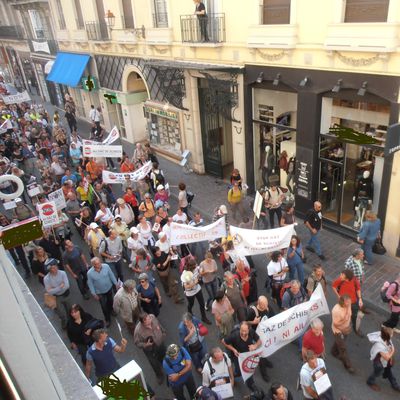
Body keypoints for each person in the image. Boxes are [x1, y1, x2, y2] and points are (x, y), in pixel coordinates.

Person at [222, 322, 261, 392]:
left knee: (248, 369)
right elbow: (223, 341)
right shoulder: (234, 335)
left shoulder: (252, 332)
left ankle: (251, 384)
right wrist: (234, 350)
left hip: (249, 356)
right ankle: (233, 375)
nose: (243, 333)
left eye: (245, 331)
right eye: (241, 330)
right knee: (239, 371)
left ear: (249, 330)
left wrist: (255, 346)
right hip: (238, 357)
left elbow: (259, 341)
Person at [134, 312, 167, 385]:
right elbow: (137, 343)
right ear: (143, 322)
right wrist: (145, 344)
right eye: (148, 319)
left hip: (160, 343)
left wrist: (163, 332)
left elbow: (159, 325)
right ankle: (159, 375)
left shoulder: (153, 317)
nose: (150, 319)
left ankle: (161, 362)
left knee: (163, 354)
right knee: (154, 363)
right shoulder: (138, 331)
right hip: (150, 350)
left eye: (149, 317)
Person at [366, 326, 400, 392]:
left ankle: (395, 385)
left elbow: (389, 351)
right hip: (379, 363)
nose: (393, 335)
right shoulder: (379, 345)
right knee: (377, 372)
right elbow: (386, 357)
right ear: (388, 335)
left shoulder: (387, 339)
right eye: (392, 334)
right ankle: (370, 381)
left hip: (385, 361)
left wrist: (391, 358)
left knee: (388, 372)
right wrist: (393, 351)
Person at [87, 257, 118, 327]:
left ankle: (111, 310)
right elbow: (90, 284)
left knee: (110, 301)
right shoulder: (90, 273)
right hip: (99, 292)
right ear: (93, 265)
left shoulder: (106, 266)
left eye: (99, 262)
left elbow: (111, 275)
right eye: (97, 264)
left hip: (109, 288)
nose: (99, 265)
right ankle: (107, 319)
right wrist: (94, 293)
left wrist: (116, 283)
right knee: (104, 306)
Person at [332, 269, 364, 336]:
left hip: (353, 302)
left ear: (347, 278)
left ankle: (355, 328)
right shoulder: (340, 280)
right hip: (343, 303)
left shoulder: (354, 280)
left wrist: (360, 299)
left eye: (342, 275)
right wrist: (338, 295)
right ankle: (342, 329)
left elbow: (358, 289)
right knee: (343, 316)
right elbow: (334, 286)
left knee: (354, 316)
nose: (340, 275)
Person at [43, 258, 71, 329]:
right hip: (56, 297)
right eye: (52, 268)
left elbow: (67, 286)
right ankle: (64, 322)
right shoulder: (46, 279)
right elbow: (49, 291)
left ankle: (70, 322)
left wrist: (54, 288)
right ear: (49, 270)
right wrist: (60, 287)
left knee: (69, 310)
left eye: (55, 266)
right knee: (61, 313)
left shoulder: (62, 273)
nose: (55, 268)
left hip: (66, 295)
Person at [181, 260, 211, 324]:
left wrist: (201, 273)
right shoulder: (185, 273)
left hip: (197, 289)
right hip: (190, 293)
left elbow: (200, 272)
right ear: (191, 267)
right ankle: (189, 314)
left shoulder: (196, 268)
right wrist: (195, 282)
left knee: (202, 304)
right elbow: (186, 286)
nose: (196, 266)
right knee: (191, 304)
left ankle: (204, 317)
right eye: (195, 266)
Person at [331, 294, 355, 374]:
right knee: (343, 348)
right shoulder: (336, 310)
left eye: (349, 302)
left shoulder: (348, 304)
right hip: (338, 330)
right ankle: (349, 366)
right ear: (342, 302)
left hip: (345, 328)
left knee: (340, 343)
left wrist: (348, 311)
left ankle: (334, 352)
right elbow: (336, 324)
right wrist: (345, 320)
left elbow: (349, 313)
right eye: (347, 302)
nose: (349, 303)